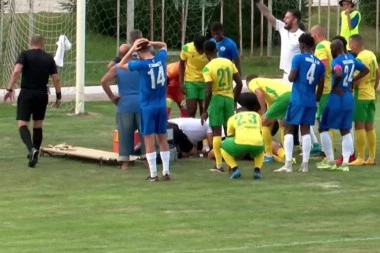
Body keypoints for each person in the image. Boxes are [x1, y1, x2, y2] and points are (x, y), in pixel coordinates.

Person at [3, 34, 62, 168]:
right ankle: (35, 153)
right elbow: (56, 79)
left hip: (27, 93)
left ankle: (32, 149)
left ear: (31, 44)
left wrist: (10, 89)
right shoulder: (48, 58)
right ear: (42, 44)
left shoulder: (25, 54)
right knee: (38, 124)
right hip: (42, 94)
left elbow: (16, 72)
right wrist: (58, 96)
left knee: (22, 124)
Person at [118, 38, 171, 182]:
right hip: (161, 104)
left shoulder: (141, 65)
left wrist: (132, 49)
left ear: (139, 51)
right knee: (162, 138)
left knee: (149, 140)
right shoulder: (161, 59)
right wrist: (150, 42)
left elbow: (121, 64)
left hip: (148, 106)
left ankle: (153, 174)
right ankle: (166, 171)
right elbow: (164, 45)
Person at [275, 33, 325, 173]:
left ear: (302, 45)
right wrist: (317, 99)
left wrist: (293, 74)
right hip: (311, 100)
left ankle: (288, 164)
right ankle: (305, 164)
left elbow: (291, 78)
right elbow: (321, 83)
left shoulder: (298, 58)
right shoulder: (319, 63)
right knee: (305, 130)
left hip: (298, 99)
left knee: (289, 128)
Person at [317, 39, 369, 172]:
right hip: (348, 97)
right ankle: (345, 163)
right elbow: (365, 70)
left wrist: (335, 86)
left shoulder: (337, 61)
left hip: (337, 97)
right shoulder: (351, 58)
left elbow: (338, 72)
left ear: (334, 50)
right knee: (345, 129)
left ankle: (330, 161)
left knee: (323, 127)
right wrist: (352, 80)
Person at [101, 44, 145, 170]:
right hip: (141, 102)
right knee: (145, 132)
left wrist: (112, 97)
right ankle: (147, 158)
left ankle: (125, 162)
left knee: (125, 133)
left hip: (124, 103)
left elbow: (103, 81)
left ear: (119, 56)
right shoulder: (140, 65)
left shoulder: (117, 68)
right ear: (132, 53)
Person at [201, 40, 243, 173]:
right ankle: (231, 164)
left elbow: (208, 91)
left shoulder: (208, 68)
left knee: (217, 134)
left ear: (206, 53)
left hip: (216, 100)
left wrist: (204, 110)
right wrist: (234, 100)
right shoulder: (229, 63)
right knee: (230, 133)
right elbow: (240, 83)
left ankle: (219, 165)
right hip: (229, 99)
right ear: (216, 50)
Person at [348, 34, 379, 166]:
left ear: (355, 44)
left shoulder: (360, 58)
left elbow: (358, 78)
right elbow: (377, 72)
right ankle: (371, 157)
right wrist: (374, 87)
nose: (349, 47)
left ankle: (360, 157)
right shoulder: (371, 54)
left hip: (361, 96)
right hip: (371, 95)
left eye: (350, 44)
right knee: (370, 127)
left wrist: (351, 85)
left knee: (359, 126)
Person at [246, 75, 291, 162]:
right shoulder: (267, 86)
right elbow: (271, 107)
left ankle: (269, 155)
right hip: (290, 93)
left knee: (264, 123)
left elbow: (259, 94)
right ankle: (286, 153)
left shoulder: (252, 82)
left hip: (283, 97)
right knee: (283, 124)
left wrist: (263, 112)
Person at [221, 94, 264, 180]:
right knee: (261, 148)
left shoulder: (232, 118)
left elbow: (230, 137)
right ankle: (257, 170)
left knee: (222, 146)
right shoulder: (256, 115)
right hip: (257, 142)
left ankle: (234, 168)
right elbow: (259, 131)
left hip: (240, 142)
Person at [311, 24, 334, 156]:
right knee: (324, 119)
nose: (311, 37)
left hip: (324, 88)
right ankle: (327, 150)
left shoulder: (320, 47)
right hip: (331, 85)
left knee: (322, 120)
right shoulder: (330, 44)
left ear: (317, 35)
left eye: (312, 34)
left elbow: (322, 65)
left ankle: (326, 151)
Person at [179, 35, 209, 117]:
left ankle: (204, 129)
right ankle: (191, 129)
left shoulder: (210, 49)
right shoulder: (186, 48)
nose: (200, 52)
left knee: (204, 111)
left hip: (206, 82)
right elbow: (181, 64)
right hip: (191, 81)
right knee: (191, 110)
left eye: (202, 50)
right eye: (198, 50)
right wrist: (181, 83)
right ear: (195, 46)